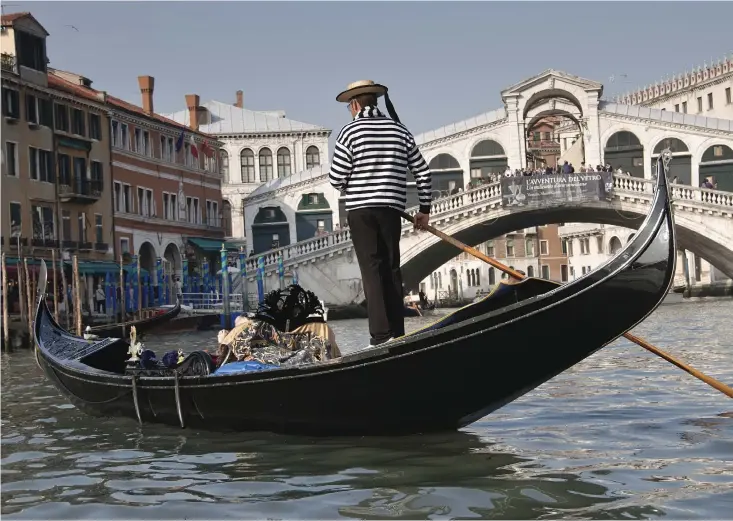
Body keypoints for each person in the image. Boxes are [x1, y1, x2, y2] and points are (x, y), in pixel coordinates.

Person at [329, 80, 432, 347]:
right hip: (390, 210)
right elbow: (422, 171)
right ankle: (397, 332)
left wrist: (358, 178)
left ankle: (380, 336)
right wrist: (424, 210)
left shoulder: (350, 132)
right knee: (392, 269)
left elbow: (336, 178)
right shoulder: (399, 130)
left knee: (372, 271)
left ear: (353, 105)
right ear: (375, 101)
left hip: (361, 211)